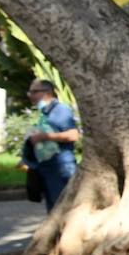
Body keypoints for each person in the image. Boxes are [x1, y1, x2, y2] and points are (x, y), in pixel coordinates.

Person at [21, 79, 79, 211]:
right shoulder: (44, 113)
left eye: (34, 92)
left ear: (47, 93)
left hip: (61, 166)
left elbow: (73, 135)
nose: (31, 95)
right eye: (30, 92)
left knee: (63, 207)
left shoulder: (60, 110)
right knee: (53, 208)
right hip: (46, 166)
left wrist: (44, 137)